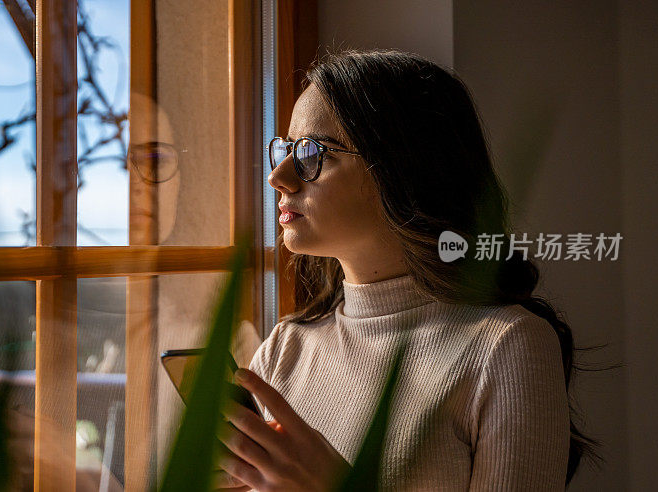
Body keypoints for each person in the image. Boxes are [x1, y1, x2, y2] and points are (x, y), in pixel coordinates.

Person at [211, 49, 598, 491]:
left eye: (311, 153)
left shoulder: (506, 347)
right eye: (285, 150)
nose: (278, 176)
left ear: (401, 167)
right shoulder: (287, 348)